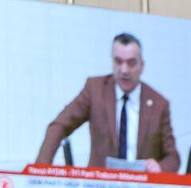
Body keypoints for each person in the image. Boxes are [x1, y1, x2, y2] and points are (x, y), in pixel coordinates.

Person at [35, 33, 180, 174]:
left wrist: (160, 167)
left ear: (142, 65)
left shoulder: (159, 104)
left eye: (131, 63)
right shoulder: (95, 90)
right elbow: (60, 125)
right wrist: (41, 170)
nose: (124, 70)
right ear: (112, 62)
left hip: (142, 187)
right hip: (99, 185)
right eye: (118, 61)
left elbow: (173, 157)